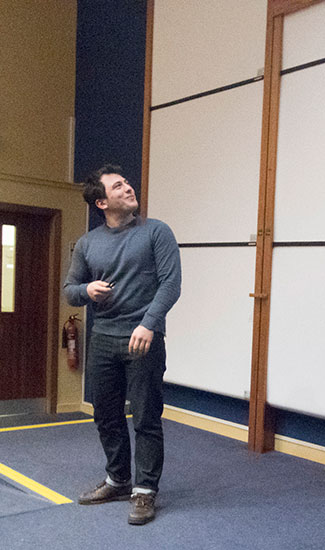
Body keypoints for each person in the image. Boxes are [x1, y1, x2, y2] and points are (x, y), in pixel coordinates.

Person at [64, 164, 181, 525]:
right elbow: (70, 291)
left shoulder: (156, 232)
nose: (128, 188)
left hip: (143, 339)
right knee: (106, 416)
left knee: (146, 417)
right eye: (118, 186)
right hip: (103, 340)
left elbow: (170, 284)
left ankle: (145, 491)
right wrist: (87, 290)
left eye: (127, 183)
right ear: (101, 202)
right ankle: (117, 479)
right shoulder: (87, 243)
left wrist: (149, 324)